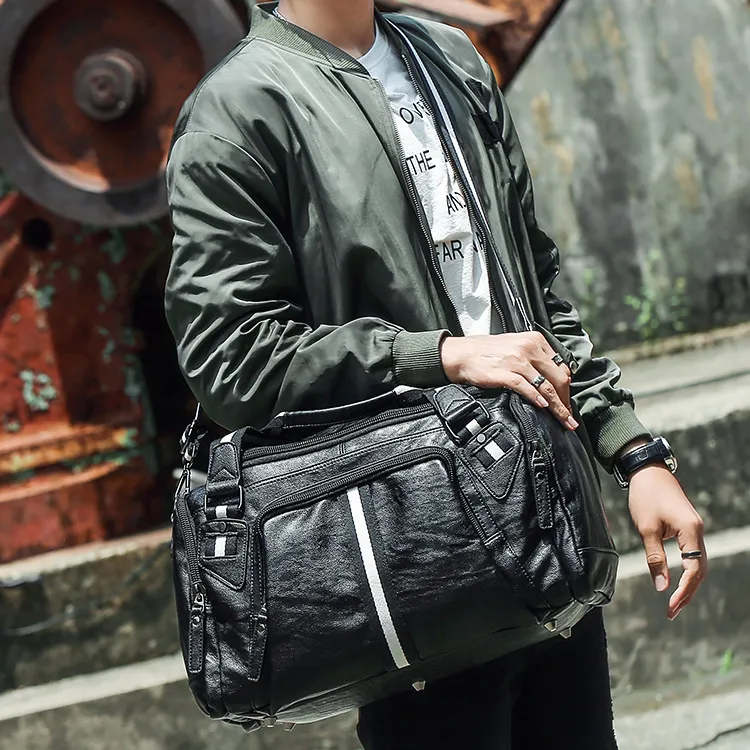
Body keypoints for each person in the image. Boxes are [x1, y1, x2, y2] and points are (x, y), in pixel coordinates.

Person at [164, 1, 708, 747]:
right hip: (415, 564)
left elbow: (533, 292)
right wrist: (441, 354)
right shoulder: (236, 111)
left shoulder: (450, 59)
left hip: (548, 533)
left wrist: (632, 449)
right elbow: (230, 357)